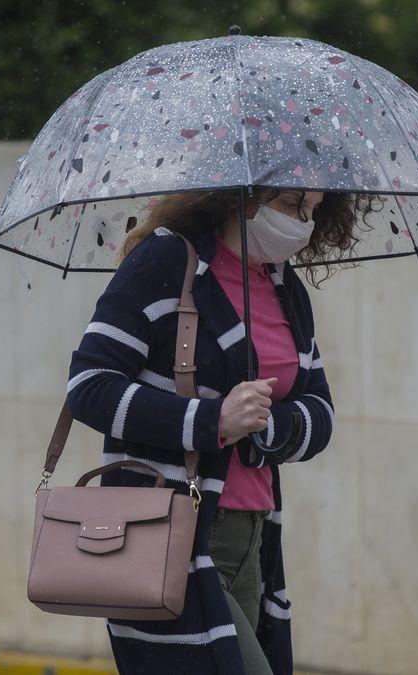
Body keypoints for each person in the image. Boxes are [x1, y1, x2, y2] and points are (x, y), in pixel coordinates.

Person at [65, 187, 373, 674]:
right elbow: (89, 386)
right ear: (244, 196)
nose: (303, 223)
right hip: (167, 529)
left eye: (313, 211)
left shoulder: (283, 288)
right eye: (293, 205)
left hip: (252, 533)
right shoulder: (165, 263)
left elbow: (321, 409)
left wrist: (271, 424)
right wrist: (213, 421)